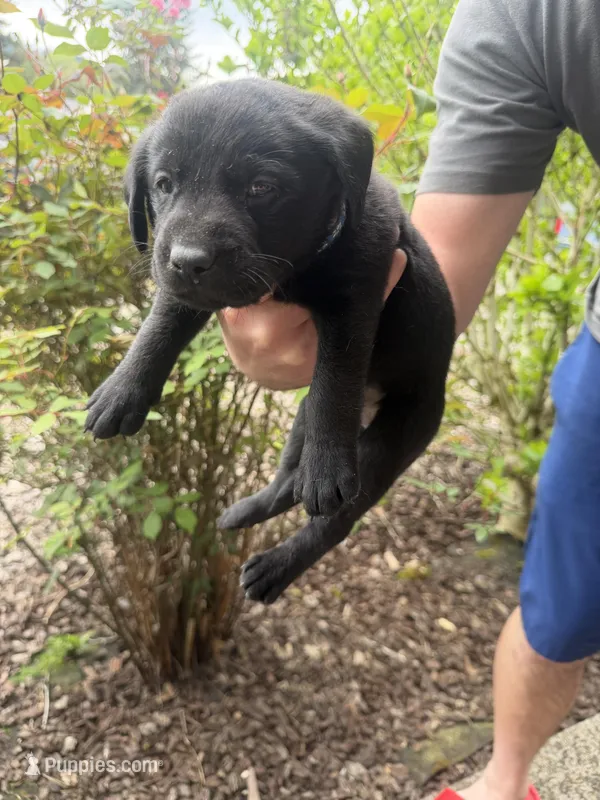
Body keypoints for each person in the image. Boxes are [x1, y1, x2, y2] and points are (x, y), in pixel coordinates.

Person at [218, 0, 600, 798]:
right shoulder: (525, 18)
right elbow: (435, 278)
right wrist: (316, 336)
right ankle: (504, 781)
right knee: (556, 614)